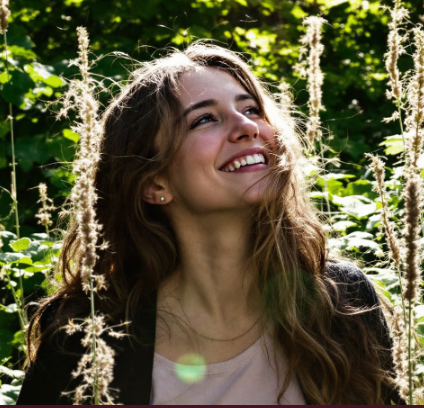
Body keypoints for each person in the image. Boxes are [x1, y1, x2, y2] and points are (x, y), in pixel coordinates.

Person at [17, 43, 400, 405]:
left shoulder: (342, 302)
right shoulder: (84, 333)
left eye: (252, 109)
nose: (247, 127)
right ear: (154, 184)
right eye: (204, 119)